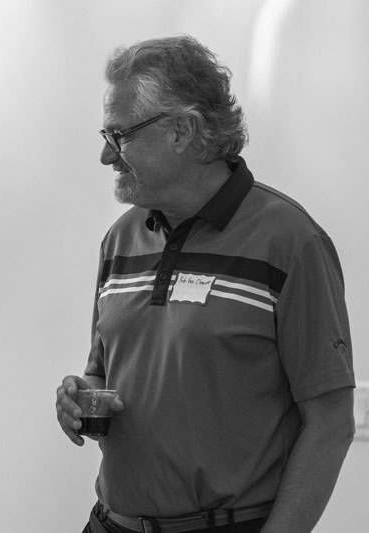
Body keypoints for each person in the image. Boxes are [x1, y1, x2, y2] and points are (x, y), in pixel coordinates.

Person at [55, 36, 355, 533]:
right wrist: (80, 398)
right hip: (109, 523)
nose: (107, 158)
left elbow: (331, 425)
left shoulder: (290, 241)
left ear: (181, 130)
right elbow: (102, 375)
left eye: (118, 136)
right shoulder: (120, 239)